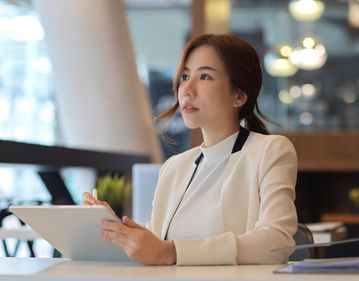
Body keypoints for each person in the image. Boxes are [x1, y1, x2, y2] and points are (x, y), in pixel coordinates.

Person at [82, 33, 298, 266]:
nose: (187, 89)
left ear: (239, 96)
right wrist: (115, 227)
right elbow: (156, 248)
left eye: (205, 76)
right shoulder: (174, 167)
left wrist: (173, 252)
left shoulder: (270, 151)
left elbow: (277, 243)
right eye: (185, 76)